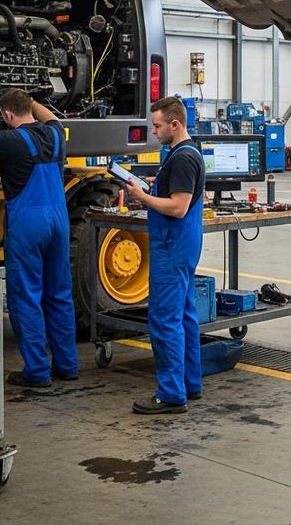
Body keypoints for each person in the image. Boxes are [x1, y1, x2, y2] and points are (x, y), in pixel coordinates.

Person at [0, 89, 78, 388]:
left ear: (7, 115)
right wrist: (32, 101)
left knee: (26, 295)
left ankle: (37, 371)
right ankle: (67, 365)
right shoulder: (56, 134)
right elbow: (50, 117)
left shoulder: (8, 140)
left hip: (28, 222)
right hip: (59, 219)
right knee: (59, 293)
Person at [124, 96, 206, 415]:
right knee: (184, 315)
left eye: (157, 126)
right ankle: (190, 383)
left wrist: (142, 197)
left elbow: (178, 207)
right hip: (182, 244)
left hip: (173, 246)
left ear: (175, 124)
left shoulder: (183, 158)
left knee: (164, 320)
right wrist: (152, 188)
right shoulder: (183, 153)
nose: (154, 131)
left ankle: (171, 394)